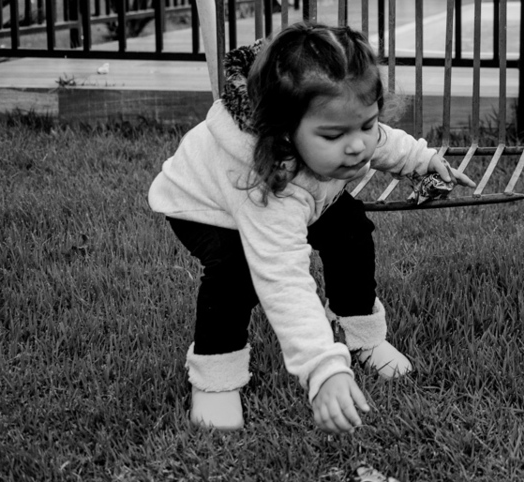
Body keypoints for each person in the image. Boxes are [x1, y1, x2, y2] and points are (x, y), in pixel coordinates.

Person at [149, 21, 473, 432]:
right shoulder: (266, 183)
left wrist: (424, 161)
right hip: (205, 206)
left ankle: (360, 333)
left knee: (350, 234)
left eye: (365, 124)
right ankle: (215, 378)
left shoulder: (340, 139)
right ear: (285, 131)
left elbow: (384, 141)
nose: (357, 145)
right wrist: (323, 369)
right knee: (236, 276)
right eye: (334, 134)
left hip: (310, 189)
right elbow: (284, 279)